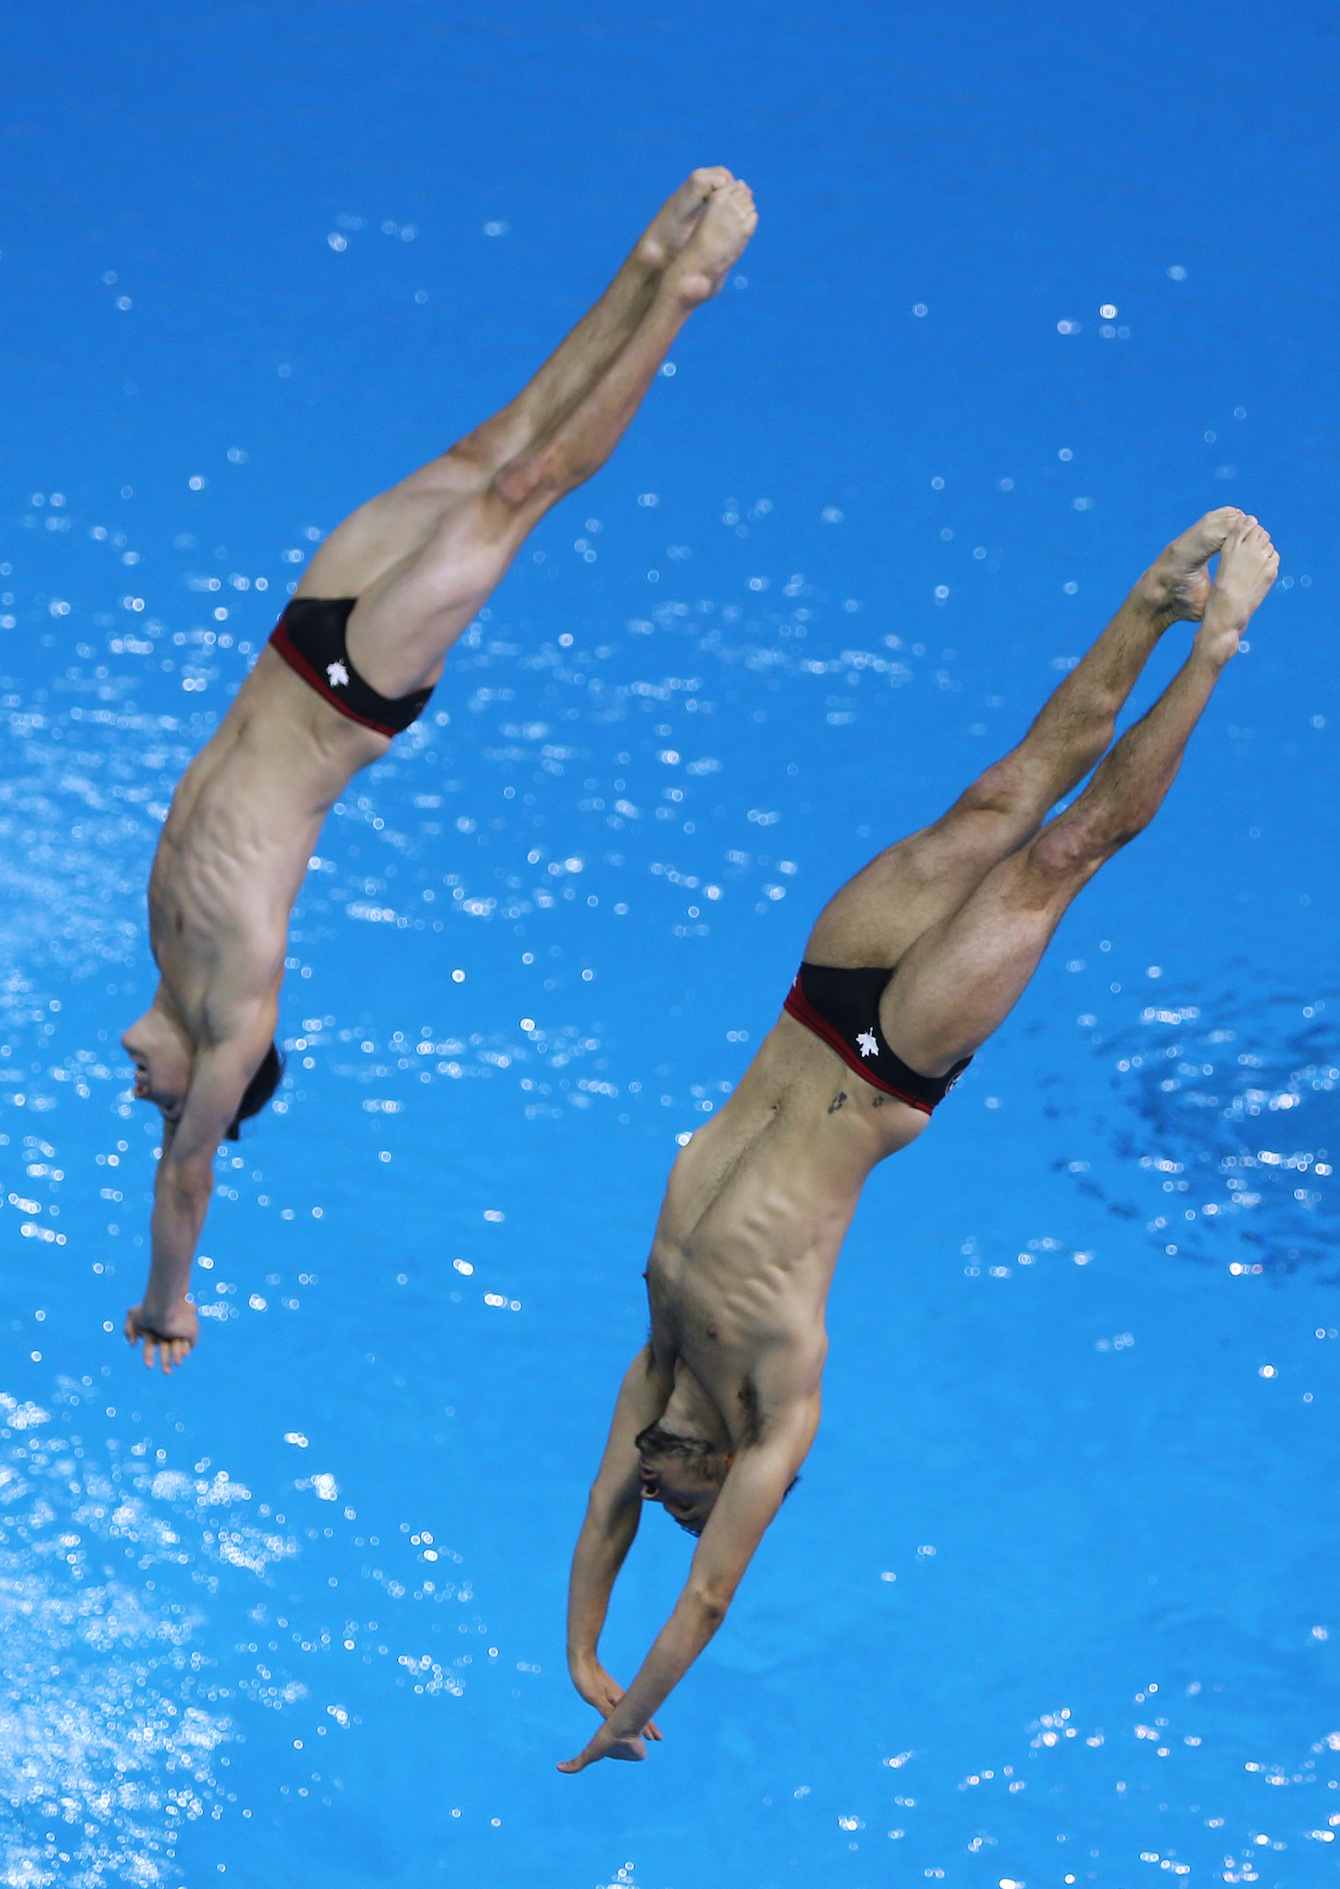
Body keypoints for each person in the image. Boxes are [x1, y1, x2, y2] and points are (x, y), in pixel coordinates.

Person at [558, 509, 1279, 1772]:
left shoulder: (655, 1361)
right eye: (697, 1504)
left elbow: (602, 1515)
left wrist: (579, 1655)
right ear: (731, 1475)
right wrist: (627, 1718)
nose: (674, 1508)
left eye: (672, 1502)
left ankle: (1152, 599)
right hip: (888, 1063)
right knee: (1062, 846)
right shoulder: (775, 1406)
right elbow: (710, 1600)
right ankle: (1211, 640)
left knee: (999, 787)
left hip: (809, 1005)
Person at [121, 170, 758, 1372]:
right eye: (156, 1100)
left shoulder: (167, 945)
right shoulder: (232, 1014)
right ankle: (682, 292)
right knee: (524, 490)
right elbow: (190, 1174)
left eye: (152, 1099)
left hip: (296, 637)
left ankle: (640, 258)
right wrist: (169, 1298)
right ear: (227, 1078)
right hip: (349, 690)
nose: (141, 1088)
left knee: (490, 443)